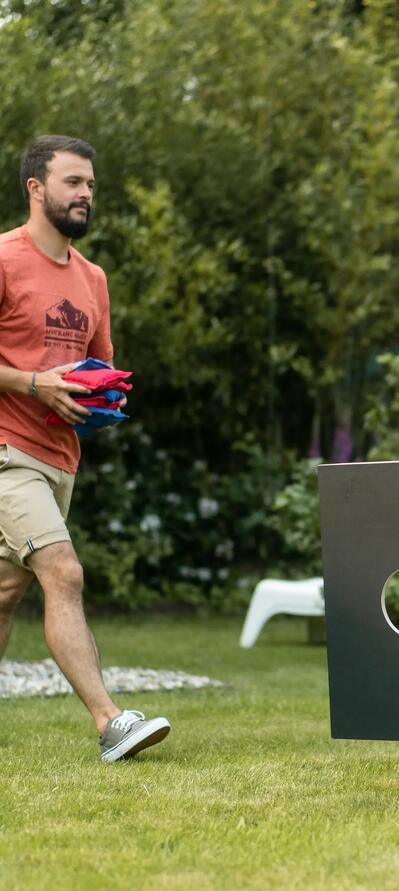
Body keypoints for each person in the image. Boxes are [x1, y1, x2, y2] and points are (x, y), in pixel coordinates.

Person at [0, 135, 171, 763]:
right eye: (73, 182)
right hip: (5, 449)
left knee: (4, 593)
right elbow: (37, 375)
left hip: (59, 457)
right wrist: (32, 382)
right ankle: (111, 722)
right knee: (63, 573)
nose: (86, 194)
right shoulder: (3, 259)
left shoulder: (93, 278)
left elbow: (100, 366)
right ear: (36, 189)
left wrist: (105, 401)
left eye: (91, 185)